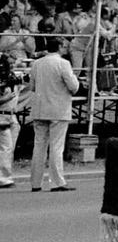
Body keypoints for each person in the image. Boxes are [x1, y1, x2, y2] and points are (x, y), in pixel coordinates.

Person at [28, 37, 79, 192]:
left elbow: (32, 86)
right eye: (64, 46)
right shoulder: (63, 63)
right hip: (58, 108)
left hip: (40, 107)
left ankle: (35, 182)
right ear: (59, 47)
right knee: (56, 146)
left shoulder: (37, 63)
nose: (65, 49)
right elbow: (73, 86)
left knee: (39, 145)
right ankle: (57, 181)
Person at [0, 52, 20, 188]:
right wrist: (5, 99)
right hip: (2, 114)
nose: (12, 66)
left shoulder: (12, 77)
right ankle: (3, 177)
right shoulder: (2, 80)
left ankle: (5, 174)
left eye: (13, 63)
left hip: (12, 114)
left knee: (9, 148)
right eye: (10, 64)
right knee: (5, 147)